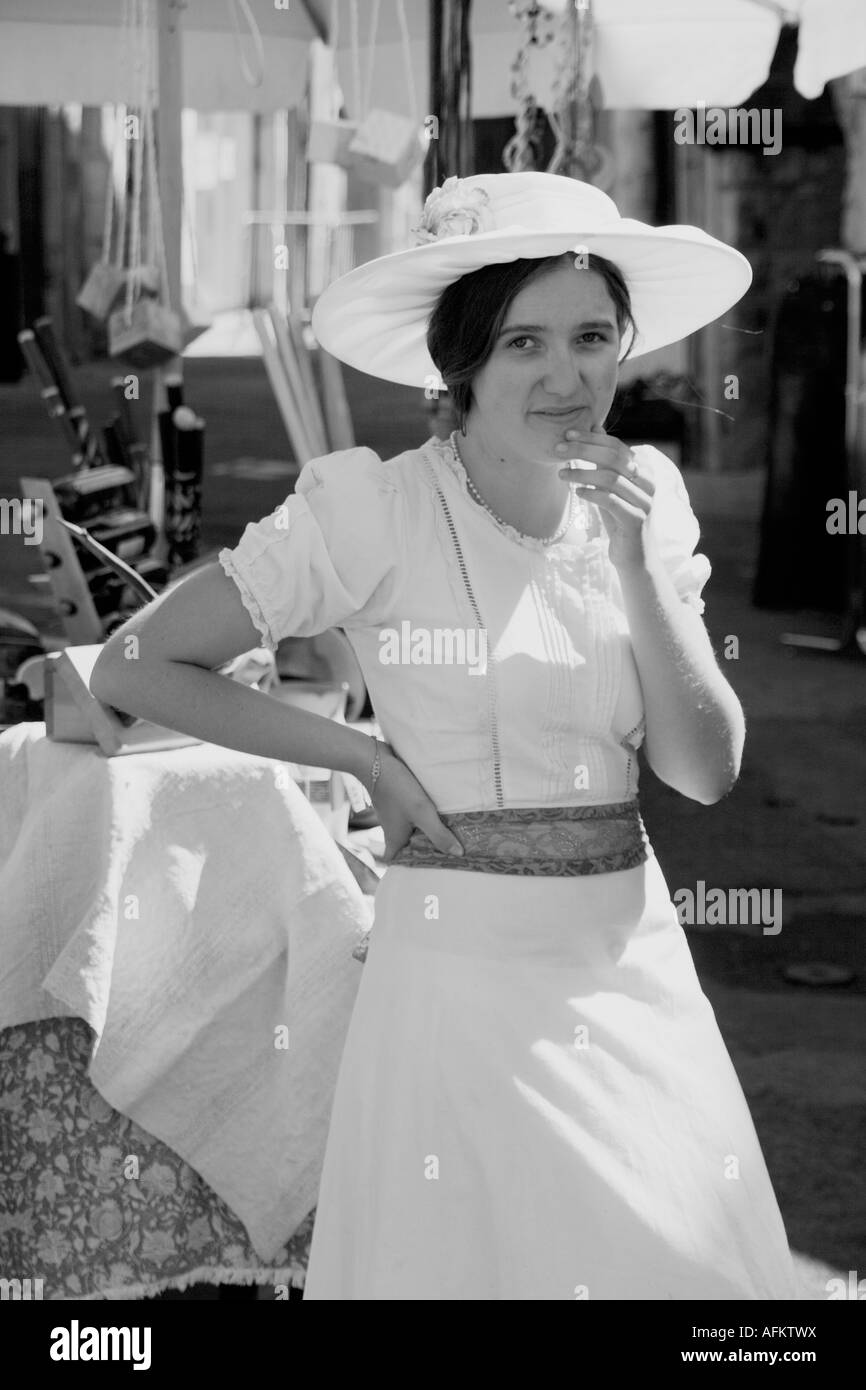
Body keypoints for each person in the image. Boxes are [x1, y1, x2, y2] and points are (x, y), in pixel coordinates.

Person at [91, 172, 800, 1301]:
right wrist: (364, 757)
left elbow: (703, 772)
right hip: (453, 980)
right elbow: (136, 663)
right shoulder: (375, 509)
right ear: (459, 360)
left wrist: (634, 569)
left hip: (630, 970)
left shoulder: (647, 497)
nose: (564, 375)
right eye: (521, 342)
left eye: (589, 337)